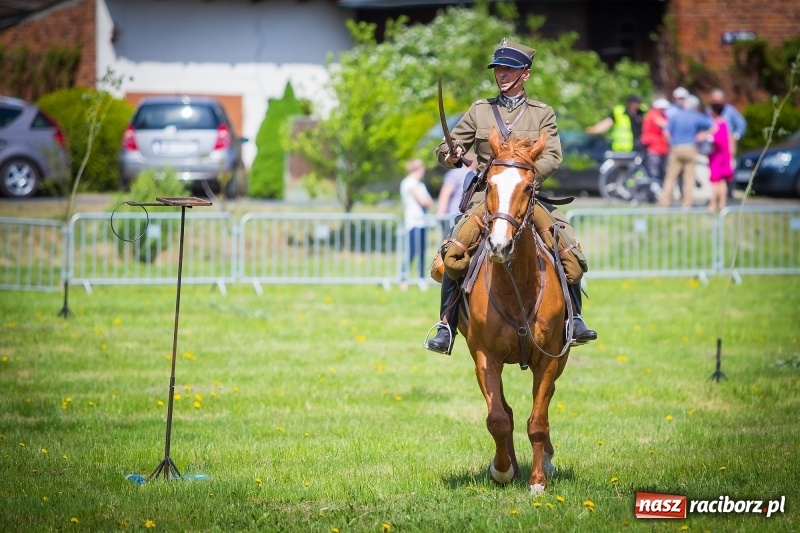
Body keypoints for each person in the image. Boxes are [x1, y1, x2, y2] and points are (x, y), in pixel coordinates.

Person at [425, 37, 597, 355]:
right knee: (453, 250)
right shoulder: (480, 110)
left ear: (525, 74)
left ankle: (575, 320)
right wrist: (451, 153)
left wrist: (524, 180)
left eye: (510, 69)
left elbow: (553, 157)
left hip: (529, 196)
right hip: (486, 198)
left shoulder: (542, 114)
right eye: (499, 69)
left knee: (568, 249)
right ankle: (446, 324)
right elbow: (446, 149)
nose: (502, 75)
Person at [659, 95, 714, 208]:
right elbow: (713, 126)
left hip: (676, 148)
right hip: (690, 148)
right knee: (688, 178)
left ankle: (664, 203)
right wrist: (703, 135)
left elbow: (666, 132)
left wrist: (671, 143)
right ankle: (687, 204)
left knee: (670, 177)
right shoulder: (696, 116)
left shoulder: (676, 116)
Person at [400, 158, 433, 289]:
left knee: (422, 252)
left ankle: (421, 278)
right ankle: (403, 278)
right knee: (412, 252)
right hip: (413, 222)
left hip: (422, 222)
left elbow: (429, 201)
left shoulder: (420, 184)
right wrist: (425, 200)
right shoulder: (409, 183)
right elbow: (424, 201)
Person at [436, 152, 477, 234]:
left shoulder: (476, 174)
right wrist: (441, 216)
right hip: (454, 218)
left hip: (467, 218)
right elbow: (445, 194)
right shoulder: (456, 174)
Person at [705, 102, 734, 211]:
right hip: (724, 156)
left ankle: (713, 204)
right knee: (722, 181)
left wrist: (708, 137)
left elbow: (717, 140)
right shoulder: (725, 123)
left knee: (716, 181)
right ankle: (722, 203)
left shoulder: (717, 124)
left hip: (717, 156)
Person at [707, 88, 747, 157]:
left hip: (728, 141)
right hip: (713, 143)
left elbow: (741, 122)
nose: (717, 104)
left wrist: (736, 136)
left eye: (719, 101)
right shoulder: (708, 110)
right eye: (715, 101)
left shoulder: (729, 110)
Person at [641, 97, 670, 182]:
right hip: (654, 147)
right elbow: (664, 124)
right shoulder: (653, 115)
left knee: (661, 171)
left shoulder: (662, 115)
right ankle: (654, 190)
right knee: (654, 172)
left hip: (661, 147)